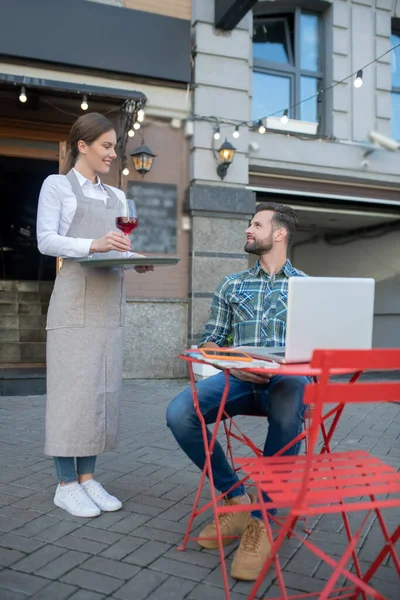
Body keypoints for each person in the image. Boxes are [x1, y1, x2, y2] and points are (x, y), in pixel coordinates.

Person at [167, 202, 308, 581]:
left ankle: (261, 519)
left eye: (256, 224)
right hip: (239, 380)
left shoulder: (307, 287)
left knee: (291, 393)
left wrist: (288, 366)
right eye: (248, 223)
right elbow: (209, 342)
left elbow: (321, 350)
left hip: (287, 383)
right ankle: (236, 496)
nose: (248, 229)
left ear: (279, 234)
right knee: (180, 412)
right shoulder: (232, 284)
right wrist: (236, 364)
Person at [37, 112, 153, 518]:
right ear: (82, 146)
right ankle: (65, 483)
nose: (113, 153)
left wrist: (134, 259)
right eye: (106, 145)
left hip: (108, 302)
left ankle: (88, 478)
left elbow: (117, 247)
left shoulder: (118, 197)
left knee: (102, 392)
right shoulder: (57, 186)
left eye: (114, 146)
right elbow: (45, 239)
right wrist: (95, 244)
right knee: (72, 393)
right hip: (73, 299)